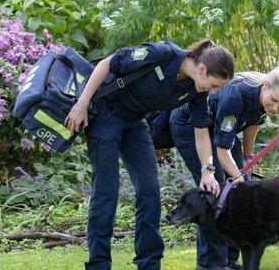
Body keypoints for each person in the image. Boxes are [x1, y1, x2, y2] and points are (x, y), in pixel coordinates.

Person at [64, 39, 235, 270]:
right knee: (107, 192)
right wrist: (82, 103)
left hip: (135, 121)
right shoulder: (161, 53)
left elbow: (201, 132)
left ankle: (149, 264)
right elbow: (107, 63)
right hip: (105, 112)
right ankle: (99, 264)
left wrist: (207, 171)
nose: (213, 91)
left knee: (150, 192)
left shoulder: (196, 89)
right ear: (202, 69)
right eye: (214, 85)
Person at [170, 65, 279, 270]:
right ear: (265, 86)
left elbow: (252, 122)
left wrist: (247, 161)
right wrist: (240, 181)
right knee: (214, 193)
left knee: (240, 193)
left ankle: (230, 259)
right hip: (192, 128)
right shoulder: (235, 97)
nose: (275, 108)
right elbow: (221, 151)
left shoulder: (262, 99)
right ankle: (210, 263)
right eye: (274, 100)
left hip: (221, 132)